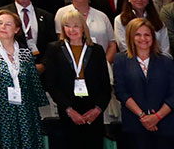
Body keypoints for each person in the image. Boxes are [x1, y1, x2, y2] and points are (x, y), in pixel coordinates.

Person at [0, 10, 47, 149]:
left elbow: (33, 80)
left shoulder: (25, 52)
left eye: (8, 24)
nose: (3, 27)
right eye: (0, 23)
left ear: (16, 29)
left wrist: (39, 103)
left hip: (25, 108)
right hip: (0, 109)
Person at [42, 9, 110, 149]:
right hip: (68, 109)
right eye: (67, 26)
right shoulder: (54, 49)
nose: (71, 30)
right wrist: (69, 110)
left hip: (93, 109)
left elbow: (105, 84)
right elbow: (51, 84)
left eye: (76, 26)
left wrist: (97, 109)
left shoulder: (96, 50)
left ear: (83, 27)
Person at [114, 17, 174, 147]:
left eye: (147, 34)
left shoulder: (166, 61)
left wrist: (156, 117)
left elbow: (173, 94)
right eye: (138, 34)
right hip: (135, 125)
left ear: (153, 37)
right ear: (130, 37)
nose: (143, 38)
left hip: (164, 126)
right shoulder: (120, 60)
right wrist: (142, 116)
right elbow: (121, 92)